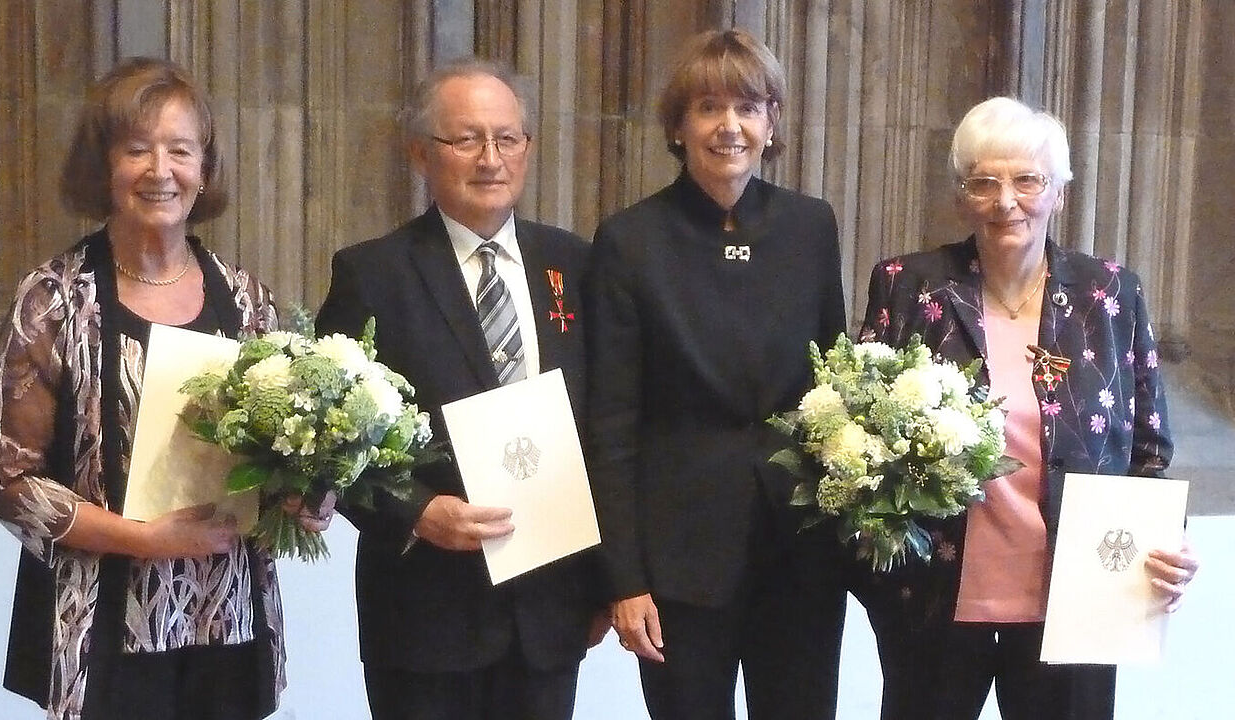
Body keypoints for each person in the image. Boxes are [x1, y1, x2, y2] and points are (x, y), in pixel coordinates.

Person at [0, 57, 326, 719]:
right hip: (100, 623)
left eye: (180, 150)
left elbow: (282, 451)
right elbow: (10, 482)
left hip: (230, 621)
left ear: (205, 167)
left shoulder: (250, 301)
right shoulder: (51, 299)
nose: (160, 171)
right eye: (137, 149)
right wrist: (145, 540)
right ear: (102, 165)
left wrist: (309, 494)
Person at [853, 96, 1201, 720]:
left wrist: (1168, 546)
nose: (1006, 200)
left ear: (1059, 193)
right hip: (935, 597)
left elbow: (1149, 452)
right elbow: (862, 433)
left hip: (1082, 602)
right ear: (961, 197)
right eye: (983, 182)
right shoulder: (909, 285)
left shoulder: (1109, 294)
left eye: (1027, 180)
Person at [315, 59, 605, 720]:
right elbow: (335, 442)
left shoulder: (576, 265)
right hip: (425, 612)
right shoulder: (372, 274)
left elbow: (605, 425)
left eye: (508, 138)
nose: (491, 158)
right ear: (421, 153)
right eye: (466, 139)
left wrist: (603, 583)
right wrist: (415, 511)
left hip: (548, 610)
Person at [584, 29, 849, 720]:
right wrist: (625, 578)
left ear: (772, 122)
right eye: (707, 107)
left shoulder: (810, 227)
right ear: (678, 125)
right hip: (678, 560)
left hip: (799, 550)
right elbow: (610, 425)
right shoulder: (629, 240)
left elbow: (837, 384)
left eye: (750, 107)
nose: (730, 126)